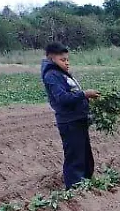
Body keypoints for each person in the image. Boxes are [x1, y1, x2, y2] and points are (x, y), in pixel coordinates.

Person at [41, 43, 99, 189]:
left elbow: (72, 93)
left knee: (85, 155)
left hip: (78, 119)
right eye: (63, 60)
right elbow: (63, 98)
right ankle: (74, 188)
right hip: (69, 122)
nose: (67, 63)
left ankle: (86, 183)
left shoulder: (62, 73)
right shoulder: (51, 76)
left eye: (67, 60)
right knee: (74, 157)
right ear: (51, 59)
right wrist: (85, 94)